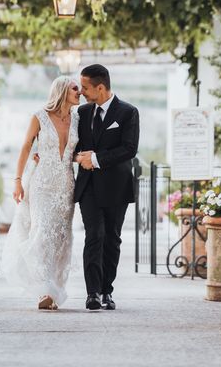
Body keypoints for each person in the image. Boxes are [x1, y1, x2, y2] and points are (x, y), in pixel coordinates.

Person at [3, 76, 80, 310]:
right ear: (62, 91)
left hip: (66, 185)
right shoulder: (40, 116)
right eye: (75, 88)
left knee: (61, 239)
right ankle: (42, 289)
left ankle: (55, 290)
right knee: (41, 233)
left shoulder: (78, 118)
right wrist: (18, 181)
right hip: (42, 185)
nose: (80, 92)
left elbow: (79, 150)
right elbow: (26, 147)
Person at [74, 64, 140, 310]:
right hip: (88, 187)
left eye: (85, 87)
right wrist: (73, 157)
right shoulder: (81, 112)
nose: (81, 92)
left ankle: (106, 291)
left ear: (100, 87)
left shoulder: (128, 112)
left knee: (112, 239)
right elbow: (73, 146)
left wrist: (97, 158)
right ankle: (92, 293)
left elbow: (129, 149)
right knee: (94, 236)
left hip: (116, 187)